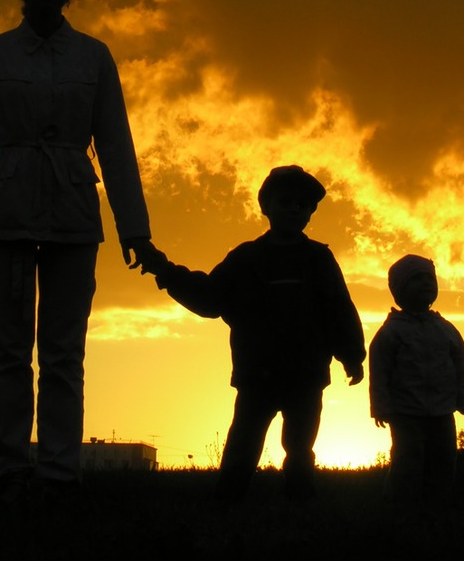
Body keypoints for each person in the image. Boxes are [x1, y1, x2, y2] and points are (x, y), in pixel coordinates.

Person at [0, 0, 157, 499]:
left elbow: (115, 144)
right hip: (6, 211)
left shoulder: (94, 56)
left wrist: (134, 227)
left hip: (72, 211)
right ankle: (5, 468)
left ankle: (60, 470)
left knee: (65, 350)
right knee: (8, 349)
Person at [141, 166, 365, 502]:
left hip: (305, 374)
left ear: (310, 214)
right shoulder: (246, 257)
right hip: (257, 374)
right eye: (285, 201)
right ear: (266, 206)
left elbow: (338, 308)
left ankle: (300, 503)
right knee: (244, 443)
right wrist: (166, 271)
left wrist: (352, 355)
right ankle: (227, 502)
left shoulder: (319, 258)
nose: (293, 209)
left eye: (302, 205)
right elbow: (210, 296)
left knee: (301, 446)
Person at [369, 254, 464, 508]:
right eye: (416, 279)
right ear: (399, 289)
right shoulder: (392, 331)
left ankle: (437, 505)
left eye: (429, 279)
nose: (425, 284)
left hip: (442, 410)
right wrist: (381, 406)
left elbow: (461, 364)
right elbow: (380, 370)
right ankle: (398, 503)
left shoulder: (445, 328)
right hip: (406, 412)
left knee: (444, 459)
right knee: (408, 459)